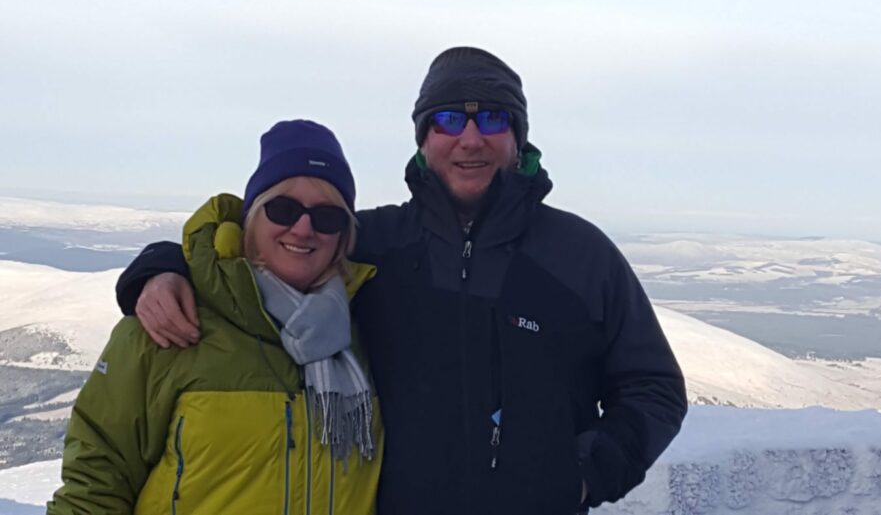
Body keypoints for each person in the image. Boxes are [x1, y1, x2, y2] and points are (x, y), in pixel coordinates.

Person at [116, 47, 687, 514]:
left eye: (491, 118)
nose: (469, 137)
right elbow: (261, 251)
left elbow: (654, 385)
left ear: (517, 141)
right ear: (422, 137)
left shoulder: (579, 256)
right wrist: (158, 267)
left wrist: (586, 475)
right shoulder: (372, 244)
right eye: (448, 119)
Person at [49, 120, 382, 514]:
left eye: (328, 216)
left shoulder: (368, 326)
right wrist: (158, 269)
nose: (304, 227)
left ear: (344, 235)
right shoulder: (170, 323)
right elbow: (95, 486)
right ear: (252, 216)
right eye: (283, 209)